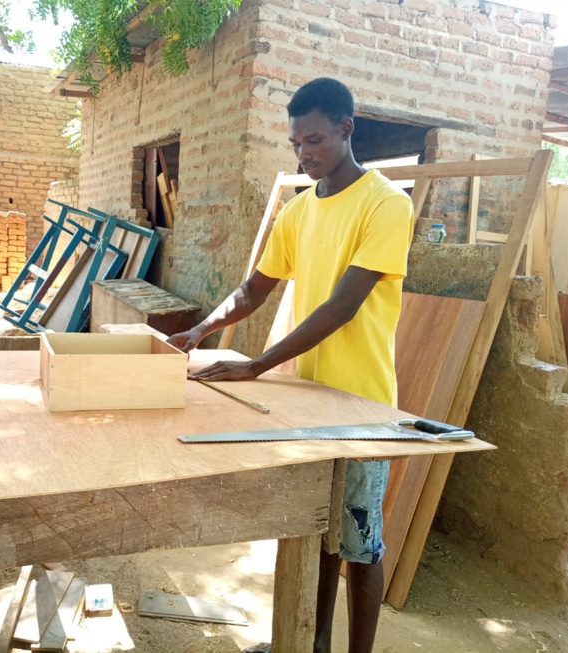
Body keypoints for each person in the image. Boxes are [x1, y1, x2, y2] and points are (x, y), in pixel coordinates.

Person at [167, 78, 414, 653]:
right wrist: (202, 329)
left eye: (316, 140)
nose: (304, 153)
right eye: (296, 143)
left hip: (361, 406)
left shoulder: (386, 204)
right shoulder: (299, 211)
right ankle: (316, 642)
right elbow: (255, 289)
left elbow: (343, 306)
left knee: (359, 542)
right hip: (305, 397)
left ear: (347, 129)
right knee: (316, 534)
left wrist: (257, 365)